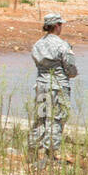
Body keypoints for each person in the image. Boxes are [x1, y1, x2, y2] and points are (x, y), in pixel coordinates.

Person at [30, 12, 78, 162]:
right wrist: (72, 74)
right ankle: (51, 154)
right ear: (57, 26)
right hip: (58, 86)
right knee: (56, 119)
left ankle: (33, 151)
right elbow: (70, 69)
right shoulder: (62, 45)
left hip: (41, 84)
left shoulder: (37, 45)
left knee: (40, 118)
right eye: (61, 24)